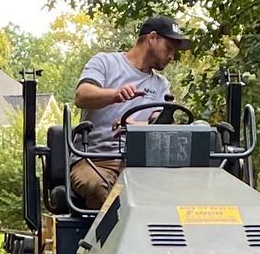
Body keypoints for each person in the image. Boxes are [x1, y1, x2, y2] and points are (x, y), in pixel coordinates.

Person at [68, 17, 190, 209]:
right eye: (169, 48)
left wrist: (134, 127)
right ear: (152, 38)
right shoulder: (105, 62)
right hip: (94, 161)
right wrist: (115, 95)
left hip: (137, 166)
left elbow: (157, 126)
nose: (171, 57)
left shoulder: (161, 85)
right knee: (98, 186)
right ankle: (102, 238)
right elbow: (82, 96)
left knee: (176, 193)